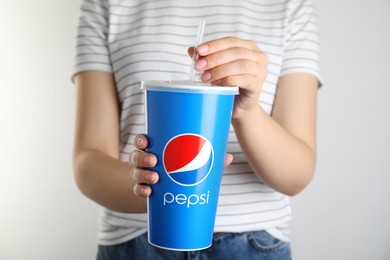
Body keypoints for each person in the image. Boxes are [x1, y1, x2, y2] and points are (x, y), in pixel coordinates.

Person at [72, 0, 321, 259]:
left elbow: (297, 175)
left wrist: (245, 111)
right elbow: (87, 160)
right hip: (136, 242)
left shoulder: (290, 5)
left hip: (253, 244)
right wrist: (157, 188)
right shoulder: (107, 3)